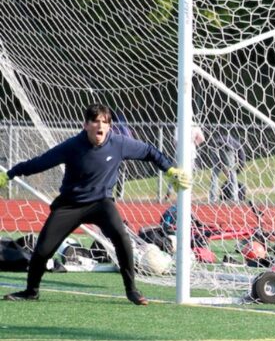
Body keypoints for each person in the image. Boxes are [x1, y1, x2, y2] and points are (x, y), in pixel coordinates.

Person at [0, 104, 191, 305]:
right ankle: (31, 291)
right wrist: (10, 174)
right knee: (43, 249)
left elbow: (150, 152)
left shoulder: (120, 143)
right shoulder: (72, 146)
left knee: (122, 239)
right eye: (95, 121)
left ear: (109, 126)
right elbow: (39, 162)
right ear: (86, 125)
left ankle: (132, 290)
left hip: (102, 203)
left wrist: (171, 170)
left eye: (105, 122)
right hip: (70, 204)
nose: (100, 125)